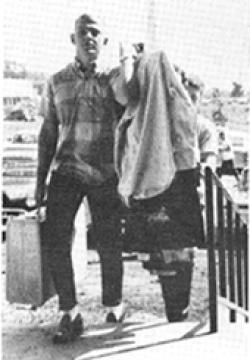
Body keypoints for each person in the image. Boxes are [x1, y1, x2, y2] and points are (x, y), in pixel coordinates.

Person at [35, 14, 126, 344]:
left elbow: (135, 113)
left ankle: (115, 303)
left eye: (96, 33)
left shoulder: (115, 80)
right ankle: (70, 312)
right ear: (72, 39)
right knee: (55, 239)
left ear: (103, 41)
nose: (89, 37)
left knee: (109, 241)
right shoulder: (57, 80)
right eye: (82, 32)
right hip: (67, 170)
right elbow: (47, 132)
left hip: (105, 172)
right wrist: (38, 184)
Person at [113, 47, 203, 322]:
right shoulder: (142, 116)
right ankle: (176, 311)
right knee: (164, 252)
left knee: (178, 252)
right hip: (164, 187)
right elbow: (124, 92)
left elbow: (189, 148)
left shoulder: (178, 108)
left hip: (176, 184)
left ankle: (179, 311)